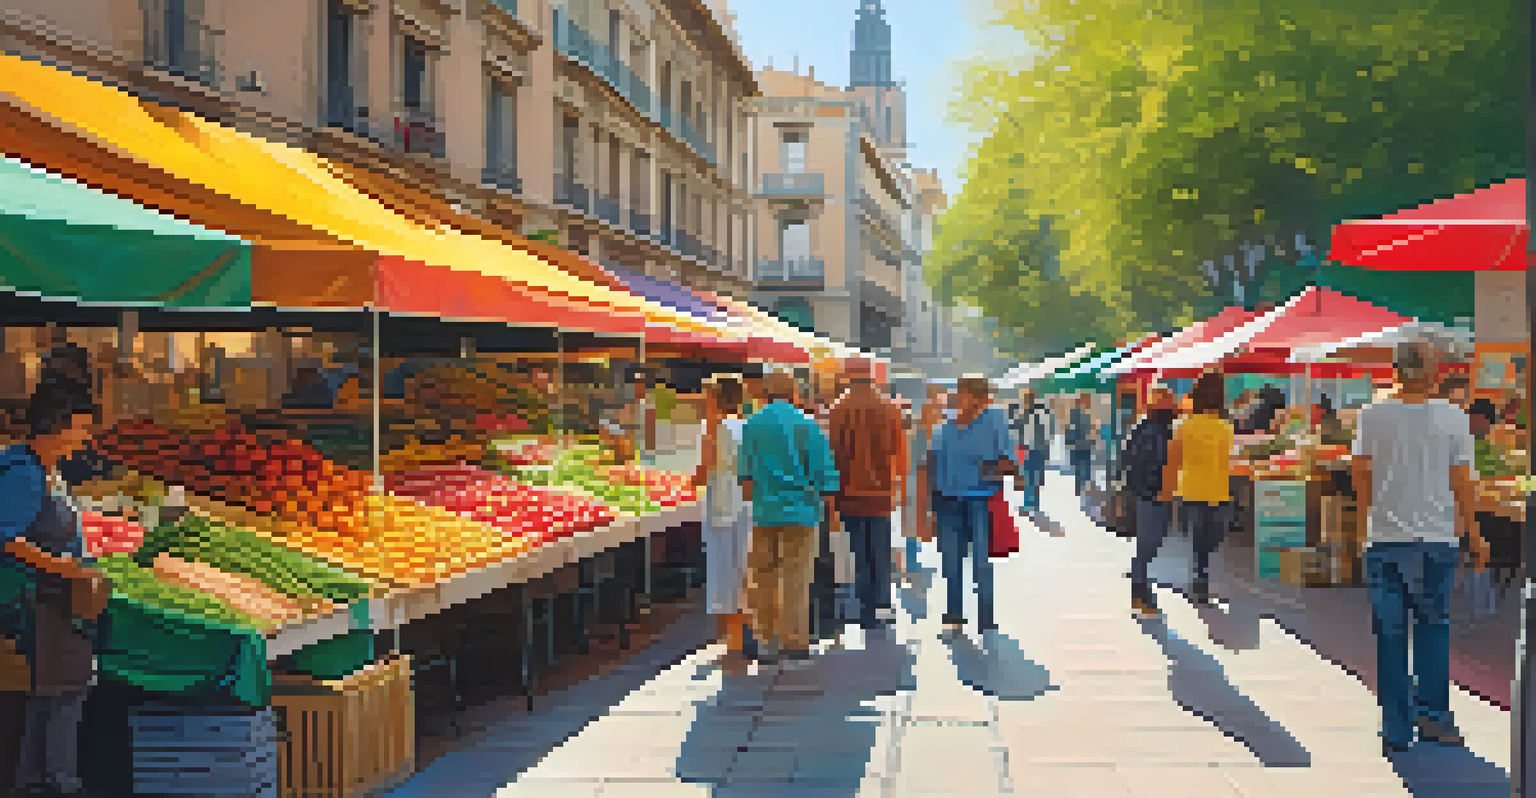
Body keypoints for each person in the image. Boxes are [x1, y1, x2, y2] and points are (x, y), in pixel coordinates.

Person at [1351, 341, 1488, 757]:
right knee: (1433, 627)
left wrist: (1364, 524)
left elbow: (1360, 472)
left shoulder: (1372, 415)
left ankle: (1396, 727)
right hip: (1436, 542)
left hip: (1385, 541)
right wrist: (1475, 532)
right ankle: (1433, 717)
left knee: (1390, 634)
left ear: (1395, 370)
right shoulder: (1453, 417)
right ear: (1434, 373)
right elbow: (1462, 480)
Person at [1, 351, 111, 798]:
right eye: (82, 427)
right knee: (64, 698)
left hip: (56, 599)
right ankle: (61, 785)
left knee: (51, 699)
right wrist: (66, 567)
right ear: (58, 426)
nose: (85, 437)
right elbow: (5, 538)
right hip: (45, 603)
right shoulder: (23, 475)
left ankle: (33, 783)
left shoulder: (46, 471)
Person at [738, 373, 840, 664]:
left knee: (763, 577)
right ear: (794, 393)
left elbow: (745, 479)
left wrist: (758, 498)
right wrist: (830, 514)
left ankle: (766, 641)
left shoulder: (752, 425)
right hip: (802, 510)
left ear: (766, 394)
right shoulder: (807, 424)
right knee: (797, 577)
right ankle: (794, 641)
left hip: (765, 510)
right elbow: (825, 474)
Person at [920, 375, 1016, 635]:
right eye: (956, 392)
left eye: (961, 392)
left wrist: (985, 470)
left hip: (980, 500)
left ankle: (986, 616)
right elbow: (931, 463)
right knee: (951, 560)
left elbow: (1008, 461)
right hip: (947, 500)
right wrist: (927, 510)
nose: (955, 397)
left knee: (981, 562)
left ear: (978, 398)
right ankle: (954, 614)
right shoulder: (946, 425)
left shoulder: (994, 419)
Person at [827, 360, 907, 631]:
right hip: (882, 492)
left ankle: (865, 611)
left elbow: (832, 454)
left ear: (847, 376)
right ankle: (883, 604)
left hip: (848, 493)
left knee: (858, 553)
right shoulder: (889, 408)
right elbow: (900, 452)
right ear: (872, 377)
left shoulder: (837, 409)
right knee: (881, 551)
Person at [1161, 370, 1234, 608]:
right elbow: (1175, 461)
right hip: (1207, 491)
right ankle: (1200, 581)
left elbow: (1172, 461)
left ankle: (1199, 577)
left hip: (1202, 491)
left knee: (1203, 539)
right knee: (1207, 540)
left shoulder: (1219, 426)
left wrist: (1167, 491)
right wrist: (1168, 491)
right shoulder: (1196, 426)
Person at [693, 378, 753, 660]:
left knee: (724, 573)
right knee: (745, 571)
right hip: (747, 506)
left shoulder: (712, 429)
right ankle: (750, 635)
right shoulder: (749, 426)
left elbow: (704, 473)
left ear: (716, 399)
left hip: (721, 508)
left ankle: (734, 642)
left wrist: (691, 481)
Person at [1122, 387, 1179, 620]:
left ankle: (1142, 594)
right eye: (1171, 404)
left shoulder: (1144, 428)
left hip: (1145, 493)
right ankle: (1140, 595)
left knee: (1149, 545)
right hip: (1152, 494)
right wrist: (1158, 490)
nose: (1175, 408)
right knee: (1148, 545)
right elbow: (1155, 462)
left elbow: (1127, 459)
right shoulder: (1156, 431)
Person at [1016, 391, 1053, 516]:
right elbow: (1047, 432)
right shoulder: (1042, 412)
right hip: (1040, 449)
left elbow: (1026, 433)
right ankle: (1033, 504)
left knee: (1029, 477)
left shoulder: (1030, 414)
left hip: (1031, 449)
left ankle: (1029, 505)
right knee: (1034, 478)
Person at [1066, 393, 1096, 496]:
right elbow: (1071, 430)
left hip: (1084, 446)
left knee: (1084, 467)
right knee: (1081, 468)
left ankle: (1083, 488)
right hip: (1080, 446)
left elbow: (1070, 430)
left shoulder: (1086, 414)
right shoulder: (1077, 414)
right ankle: (1081, 488)